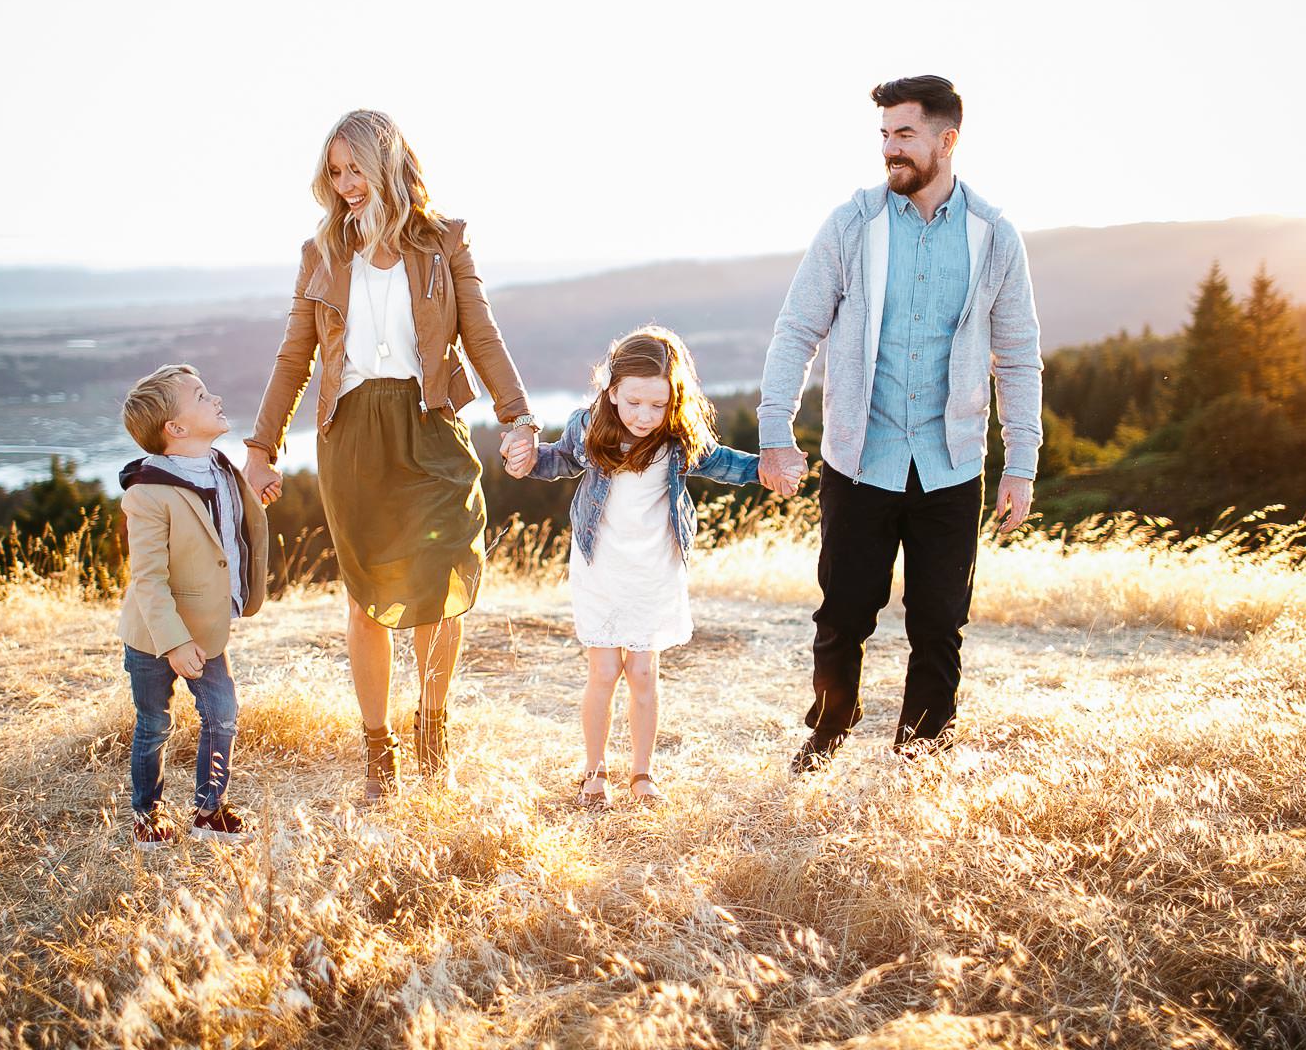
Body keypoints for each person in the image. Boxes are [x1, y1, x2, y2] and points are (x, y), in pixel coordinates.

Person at [244, 109, 538, 801]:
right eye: (335, 172)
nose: (345, 184)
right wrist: (261, 446)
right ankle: (379, 751)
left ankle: (432, 728)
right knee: (369, 598)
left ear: (387, 164)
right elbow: (294, 357)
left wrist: (518, 416)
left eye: (355, 169)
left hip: (429, 424)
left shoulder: (443, 242)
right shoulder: (320, 254)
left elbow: (482, 336)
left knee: (439, 583)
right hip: (351, 436)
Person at [757, 75, 1043, 773]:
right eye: (884, 135)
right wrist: (774, 430)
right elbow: (797, 330)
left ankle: (921, 753)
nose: (890, 149)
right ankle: (828, 728)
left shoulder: (994, 236)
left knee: (939, 623)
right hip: (861, 459)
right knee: (844, 616)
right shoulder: (852, 225)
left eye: (904, 134)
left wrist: (1022, 462)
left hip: (951, 463)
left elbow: (1020, 355)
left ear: (948, 141)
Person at [504, 327, 763, 808]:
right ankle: (594, 772)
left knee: (643, 672)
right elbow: (555, 461)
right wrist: (525, 460)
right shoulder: (589, 426)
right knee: (604, 672)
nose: (645, 416)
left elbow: (724, 463)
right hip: (600, 564)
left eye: (657, 405)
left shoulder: (677, 438)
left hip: (654, 568)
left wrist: (770, 465)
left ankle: (642, 774)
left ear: (674, 400)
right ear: (612, 390)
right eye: (633, 403)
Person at [117, 364, 269, 848]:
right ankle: (148, 814)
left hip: (206, 627)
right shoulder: (147, 494)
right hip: (154, 634)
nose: (216, 398)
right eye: (202, 397)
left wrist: (257, 500)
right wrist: (174, 641)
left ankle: (208, 810)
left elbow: (224, 537)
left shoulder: (221, 468)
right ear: (175, 429)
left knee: (222, 713)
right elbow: (148, 580)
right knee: (155, 723)